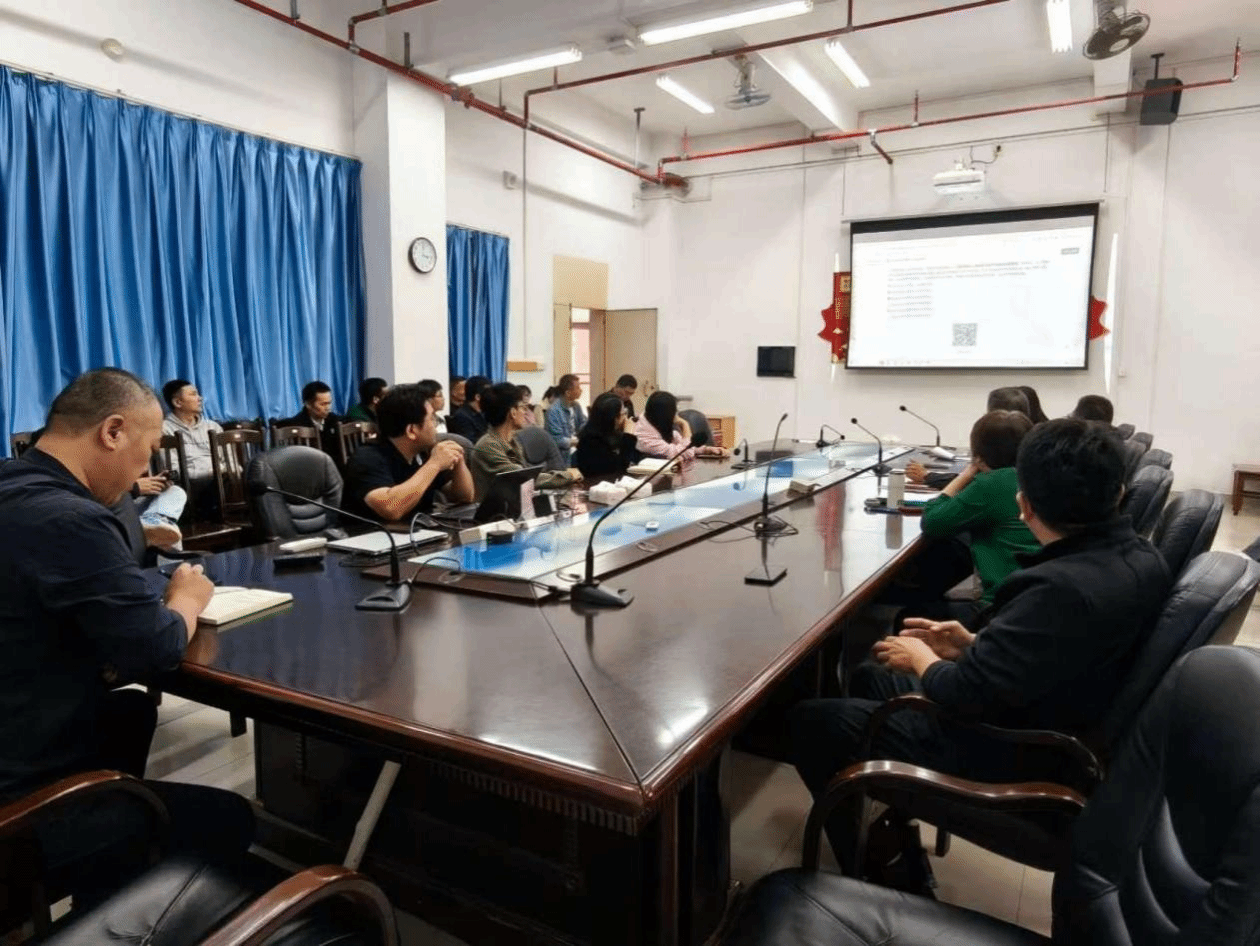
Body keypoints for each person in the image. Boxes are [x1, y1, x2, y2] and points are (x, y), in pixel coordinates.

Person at [788, 418, 1170, 877]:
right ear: (1120, 492)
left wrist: (924, 657)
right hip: (1059, 717)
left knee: (813, 722)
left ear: (1025, 504)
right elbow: (1052, 651)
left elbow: (963, 693)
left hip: (1013, 752)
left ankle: (875, 869)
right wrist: (972, 643)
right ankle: (891, 832)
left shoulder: (1059, 588)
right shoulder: (1144, 558)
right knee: (872, 675)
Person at [0, 368, 255, 905]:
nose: (146, 470)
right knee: (229, 817)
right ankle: (116, 917)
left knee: (130, 712)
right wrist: (187, 598)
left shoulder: (13, 485)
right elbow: (155, 650)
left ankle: (107, 885)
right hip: (17, 800)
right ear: (112, 432)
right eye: (149, 451)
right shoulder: (71, 518)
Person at [903, 410, 1040, 625]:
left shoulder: (991, 483)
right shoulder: (1036, 475)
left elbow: (932, 522)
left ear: (979, 454)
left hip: (1001, 609)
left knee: (909, 617)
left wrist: (966, 475)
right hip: (1039, 598)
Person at [343, 383, 474, 523]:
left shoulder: (424, 452)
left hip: (422, 530)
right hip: (373, 534)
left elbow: (464, 497)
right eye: (432, 418)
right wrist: (434, 464)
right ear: (411, 430)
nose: (435, 425)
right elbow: (391, 509)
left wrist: (458, 460)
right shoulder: (367, 458)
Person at [470, 383, 578, 501]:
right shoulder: (488, 446)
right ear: (513, 412)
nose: (526, 412)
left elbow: (525, 473)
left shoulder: (512, 441)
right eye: (523, 407)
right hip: (495, 512)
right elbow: (524, 477)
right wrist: (569, 476)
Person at [161, 379, 223, 516]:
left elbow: (230, 462)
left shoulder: (213, 427)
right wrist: (210, 472)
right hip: (189, 485)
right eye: (193, 394)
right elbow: (173, 469)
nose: (199, 398)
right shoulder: (164, 429)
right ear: (178, 402)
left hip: (221, 480)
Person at [634, 391, 728, 469]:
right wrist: (685, 424)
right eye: (674, 411)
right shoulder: (644, 438)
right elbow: (686, 453)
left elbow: (681, 446)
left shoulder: (656, 424)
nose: (676, 414)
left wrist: (707, 450)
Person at [574, 392, 641, 480]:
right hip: (599, 483)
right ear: (613, 418)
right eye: (623, 414)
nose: (625, 418)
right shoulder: (590, 441)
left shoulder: (613, 434)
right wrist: (628, 436)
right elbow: (619, 469)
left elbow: (636, 459)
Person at [279, 380, 343, 465]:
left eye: (329, 403)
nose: (328, 408)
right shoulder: (297, 425)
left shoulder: (334, 420)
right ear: (308, 405)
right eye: (323, 404)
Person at [544, 374, 587, 464]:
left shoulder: (576, 406)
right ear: (568, 393)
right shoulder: (553, 411)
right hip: (564, 455)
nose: (581, 390)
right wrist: (577, 442)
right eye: (578, 388)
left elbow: (583, 425)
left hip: (576, 449)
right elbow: (557, 440)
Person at [447, 375, 491, 443]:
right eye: (489, 394)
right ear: (478, 397)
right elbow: (469, 443)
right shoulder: (462, 417)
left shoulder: (485, 413)